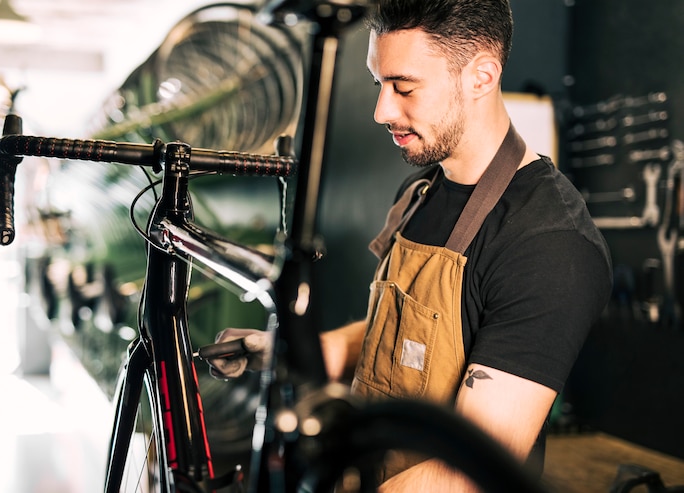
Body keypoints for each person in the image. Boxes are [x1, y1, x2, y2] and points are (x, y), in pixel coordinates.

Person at [209, 0, 613, 490]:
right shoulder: (420, 194)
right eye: (380, 84)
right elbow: (396, 336)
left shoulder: (549, 243)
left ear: (482, 76)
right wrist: (280, 350)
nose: (382, 110)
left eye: (404, 87)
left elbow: (461, 474)